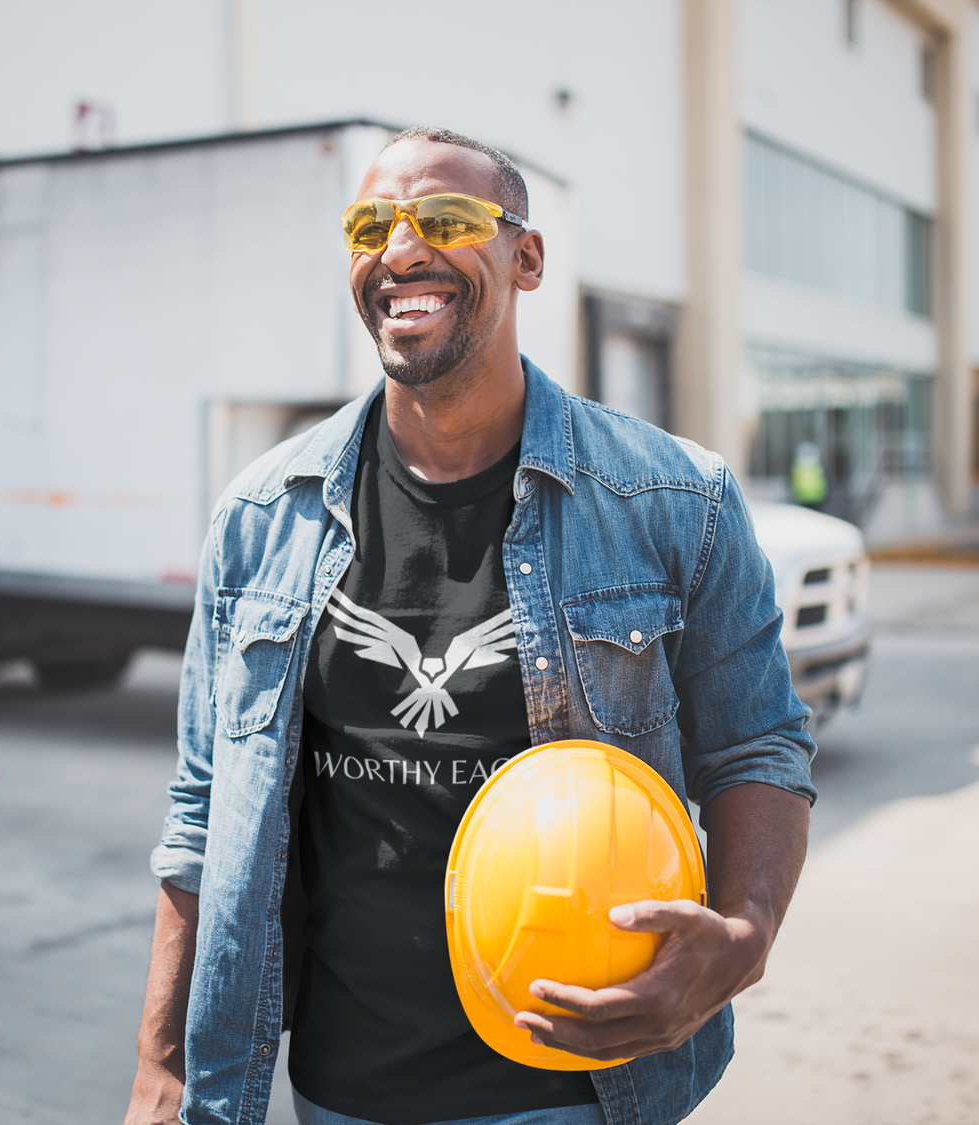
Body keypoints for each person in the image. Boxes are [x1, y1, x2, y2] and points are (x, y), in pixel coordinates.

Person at [125, 128, 816, 1125]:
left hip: (575, 1089)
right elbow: (200, 809)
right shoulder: (263, 515)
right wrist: (163, 1060)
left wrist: (744, 938)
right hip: (339, 1092)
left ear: (525, 257)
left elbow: (758, 744)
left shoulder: (675, 501)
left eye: (444, 220)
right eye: (370, 226)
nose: (401, 250)